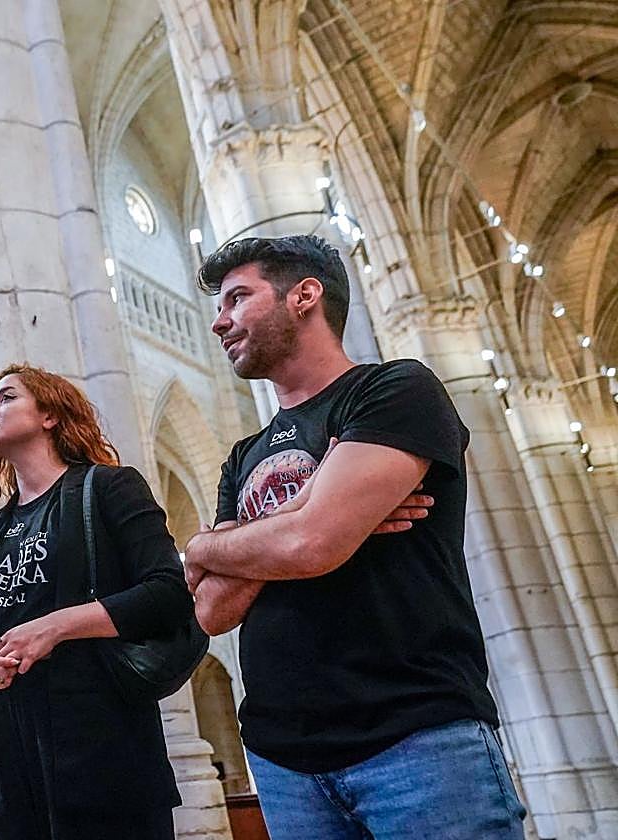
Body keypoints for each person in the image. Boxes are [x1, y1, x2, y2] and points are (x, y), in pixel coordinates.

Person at [183, 236, 527, 839]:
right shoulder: (243, 457)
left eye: (238, 298)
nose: (220, 321)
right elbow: (212, 609)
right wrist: (301, 513)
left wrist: (226, 544)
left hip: (416, 740)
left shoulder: (394, 392)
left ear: (304, 296)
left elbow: (313, 546)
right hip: (284, 761)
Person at [0, 364, 190, 840]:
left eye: (6, 397)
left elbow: (168, 592)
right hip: (11, 766)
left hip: (100, 749)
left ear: (49, 415)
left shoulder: (108, 488)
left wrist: (56, 626)